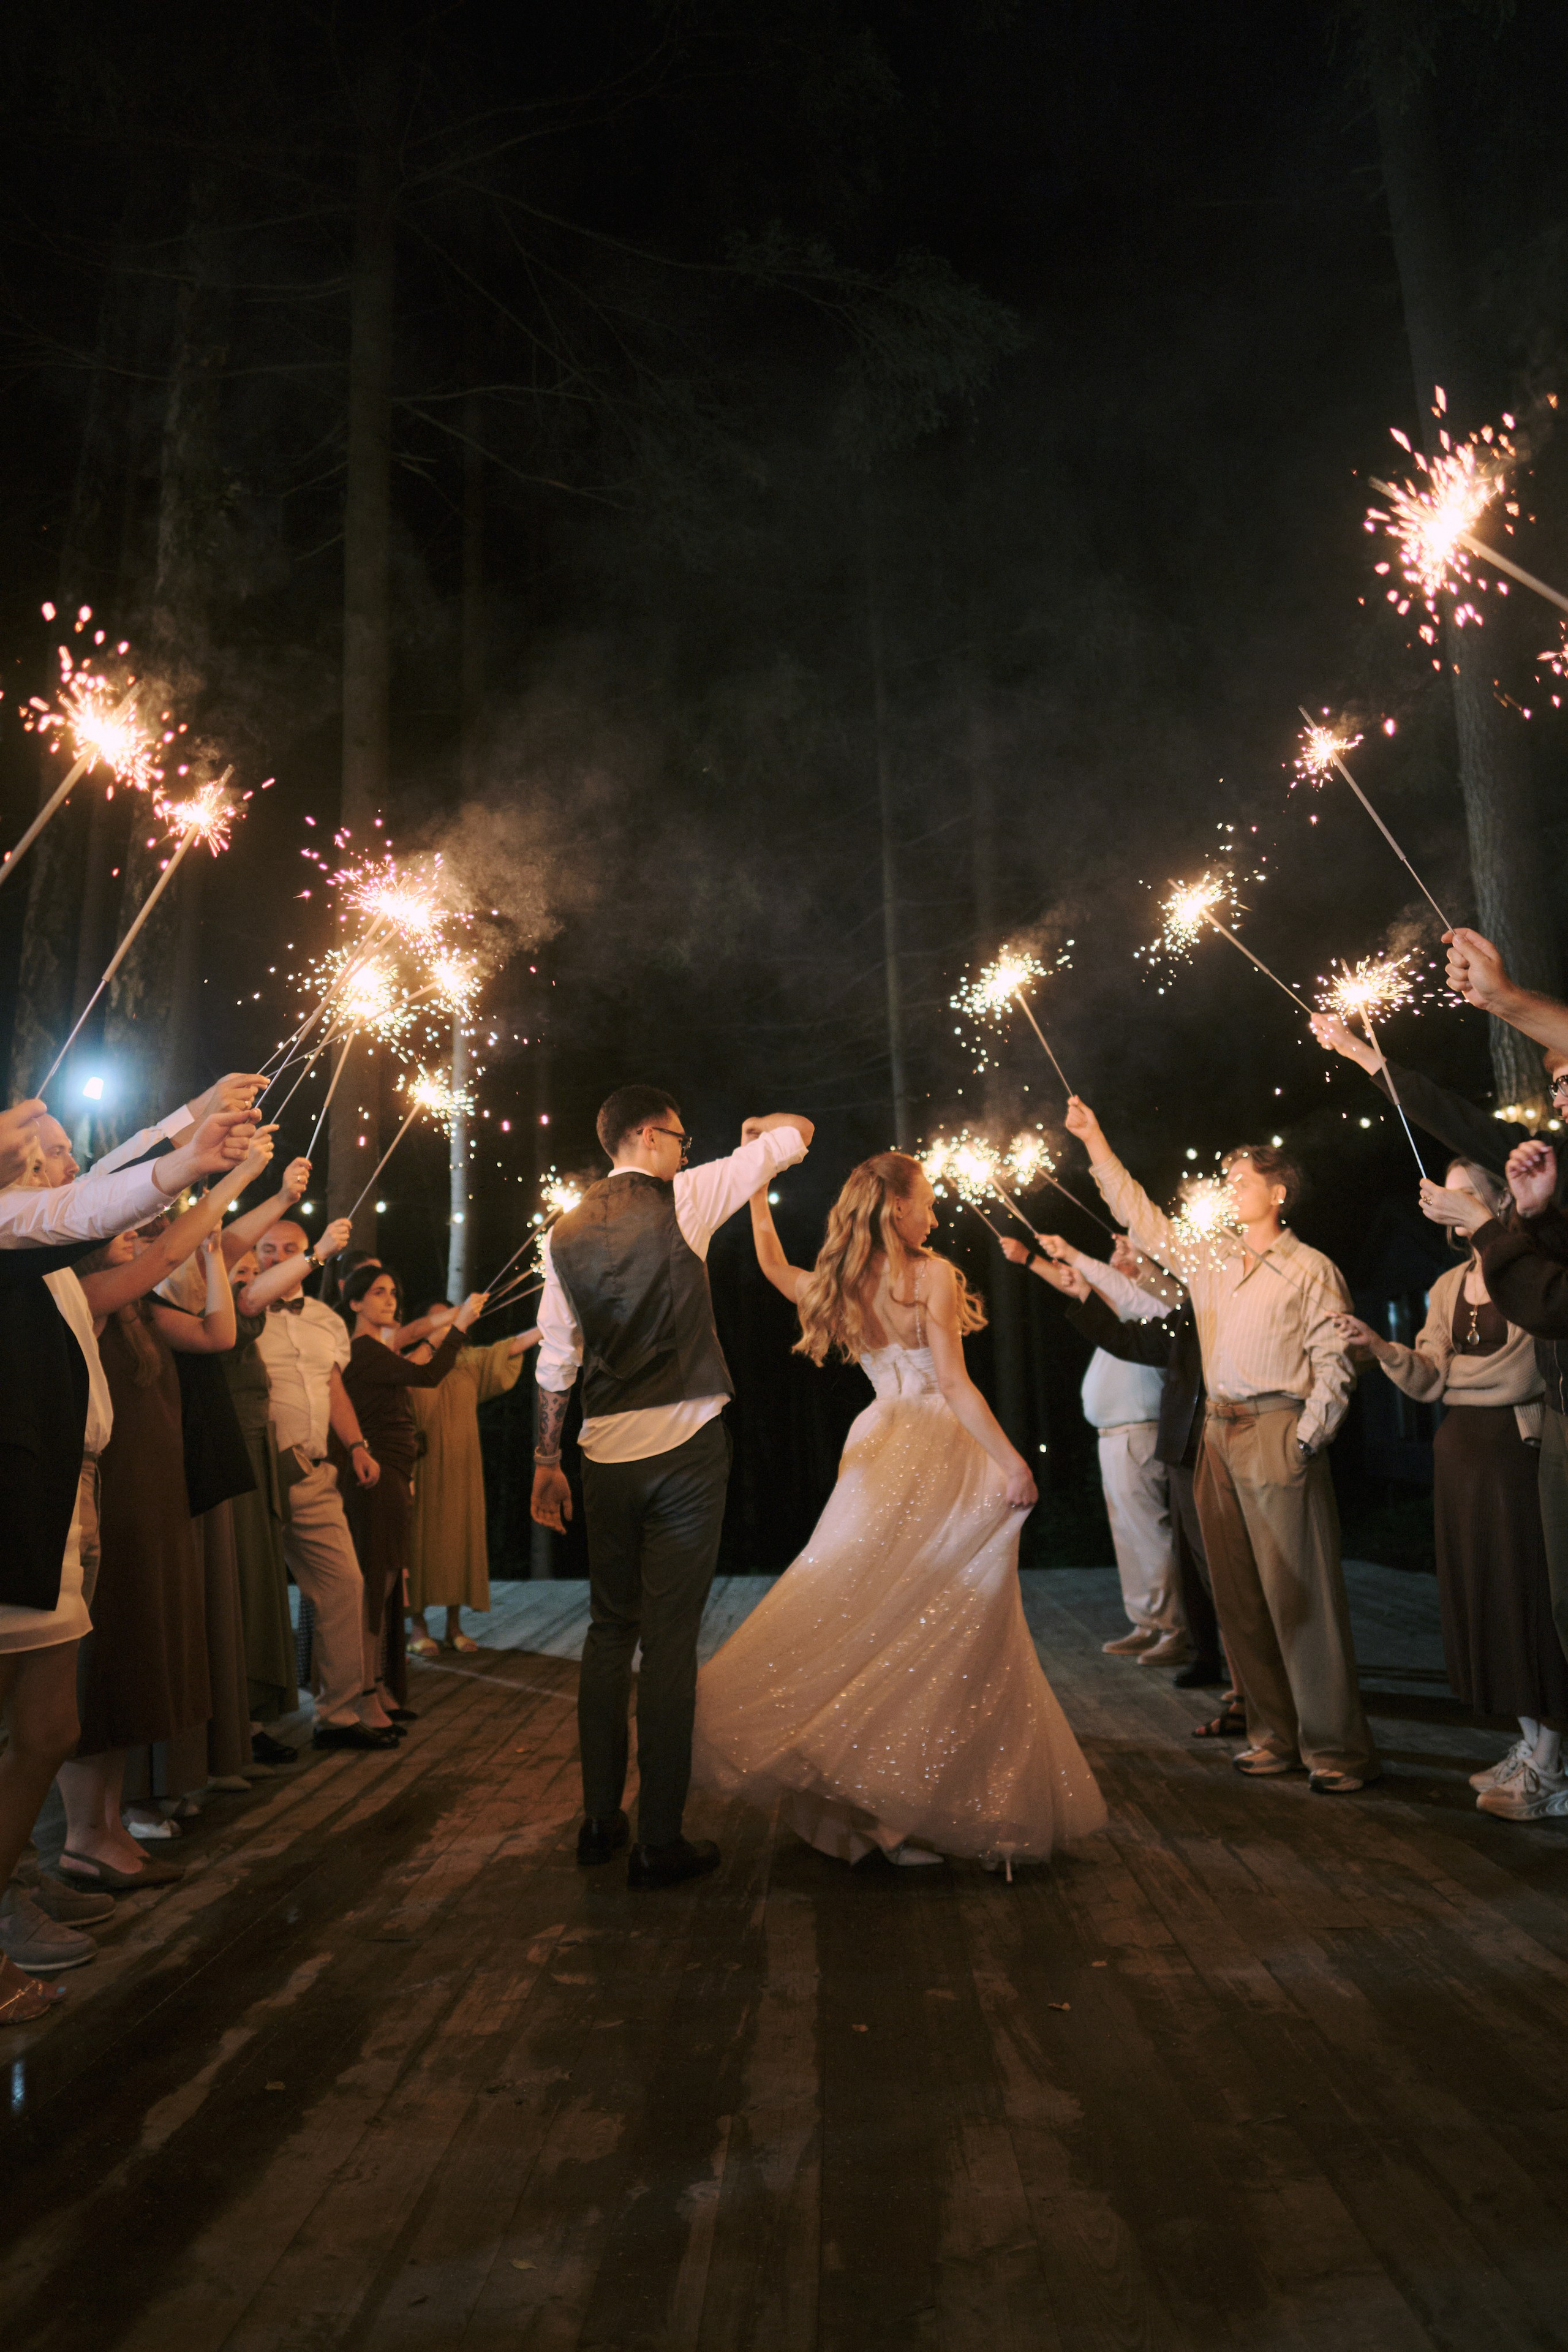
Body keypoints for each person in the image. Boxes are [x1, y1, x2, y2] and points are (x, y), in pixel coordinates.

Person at [691, 1155, 1106, 1872]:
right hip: (938, 1446)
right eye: (928, 1204)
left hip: (878, 1442)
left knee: (873, 1608)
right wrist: (1012, 1461)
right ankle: (905, 1804)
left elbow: (775, 1271)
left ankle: (879, 1804)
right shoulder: (930, 1274)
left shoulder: (843, 1282)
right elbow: (953, 1383)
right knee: (948, 1616)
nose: (937, 1217)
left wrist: (757, 1197)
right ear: (896, 1211)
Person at [0, 1102, 260, 2021]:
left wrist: (213, 1166)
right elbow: (97, 1205)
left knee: (49, 1725)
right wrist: (190, 1142)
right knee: (43, 1726)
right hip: (21, 1509)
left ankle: (14, 1896)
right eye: (45, 1154)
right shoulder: (13, 1231)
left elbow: (136, 1238)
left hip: (62, 1503)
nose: (64, 1167)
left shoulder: (56, 1266)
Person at [532, 1088, 813, 1890]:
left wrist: (546, 1463)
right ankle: (658, 1840)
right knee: (668, 1641)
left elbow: (557, 1362)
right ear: (650, 1136)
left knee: (607, 1631)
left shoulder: (564, 1231)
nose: (689, 1152)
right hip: (686, 1450)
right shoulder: (687, 1197)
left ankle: (597, 1822)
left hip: (603, 1454)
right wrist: (762, 1132)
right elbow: (803, 1133)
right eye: (683, 1138)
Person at [1065, 1096, 1377, 1793]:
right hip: (1216, 1434)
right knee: (1238, 1597)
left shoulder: (1309, 1268)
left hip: (1275, 1430)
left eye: (1239, 1179)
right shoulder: (1208, 1259)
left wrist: (1305, 1437)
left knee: (1302, 1596)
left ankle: (1336, 1750)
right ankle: (1272, 1736)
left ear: (1277, 1193)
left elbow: (1336, 1361)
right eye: (1227, 1177)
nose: (1226, 1186)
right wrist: (1094, 1140)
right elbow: (1138, 1215)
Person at [1334, 1158, 1566, 1820]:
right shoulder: (1445, 1286)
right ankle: (1529, 1745)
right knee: (1485, 1600)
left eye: (1466, 1193)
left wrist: (1457, 1381)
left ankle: (1553, 1763)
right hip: (1462, 1456)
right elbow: (1431, 1378)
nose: (1448, 1201)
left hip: (1515, 1454)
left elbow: (1518, 1376)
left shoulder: (1521, 1275)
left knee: (1525, 1600)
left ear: (1497, 1202)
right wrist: (1381, 1347)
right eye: (1445, 1192)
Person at [1006, 1234, 1229, 1695]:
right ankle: (1147, 1621)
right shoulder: (1120, 1306)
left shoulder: (1149, 1304)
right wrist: (1039, 1261)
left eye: (1126, 1258)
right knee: (1128, 1532)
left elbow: (1083, 1284)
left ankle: (1174, 1628)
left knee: (1150, 1531)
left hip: (1140, 1429)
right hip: (1113, 1433)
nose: (1116, 1262)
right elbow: (1080, 1285)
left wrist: (1037, 1258)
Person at [251, 1218, 395, 1751]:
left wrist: (357, 1446)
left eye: (289, 1249)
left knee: (345, 1583)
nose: (277, 1257)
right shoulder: (241, 1312)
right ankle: (248, 1725)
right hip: (256, 1475)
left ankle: (336, 1715)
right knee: (254, 1597)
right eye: (268, 1249)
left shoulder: (327, 1322)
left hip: (313, 1472)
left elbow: (333, 1388)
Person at [333, 1265, 488, 1711]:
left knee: (384, 1582)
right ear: (356, 1303)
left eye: (393, 1293)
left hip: (395, 1472)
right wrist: (459, 1327)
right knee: (375, 1583)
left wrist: (450, 1331)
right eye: (378, 1293)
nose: (390, 1301)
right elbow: (428, 1375)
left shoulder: (378, 1351)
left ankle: (377, 1684)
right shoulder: (362, 1349)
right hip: (375, 1476)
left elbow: (416, 1365)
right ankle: (365, 1691)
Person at [403, 1303, 540, 1656]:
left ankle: (454, 1626)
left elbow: (511, 1347)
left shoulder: (470, 1361)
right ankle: (418, 1627)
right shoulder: (412, 1360)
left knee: (457, 1539)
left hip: (463, 1464)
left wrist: (550, 1324)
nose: (449, 1323)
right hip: (421, 1463)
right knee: (418, 1540)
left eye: (453, 1317)